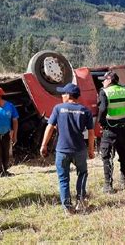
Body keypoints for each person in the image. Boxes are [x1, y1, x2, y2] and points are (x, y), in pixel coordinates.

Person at [40, 83, 95, 215]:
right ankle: (80, 202)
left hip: (62, 150)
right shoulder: (85, 110)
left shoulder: (58, 108)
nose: (61, 96)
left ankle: (68, 208)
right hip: (80, 149)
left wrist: (44, 145)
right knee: (82, 173)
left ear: (68, 95)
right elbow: (91, 132)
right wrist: (91, 150)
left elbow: (50, 127)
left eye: (62, 94)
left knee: (63, 178)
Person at [97, 71, 125, 194]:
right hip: (123, 128)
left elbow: (103, 109)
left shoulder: (104, 92)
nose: (102, 82)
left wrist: (102, 122)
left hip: (109, 129)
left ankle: (108, 185)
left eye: (104, 80)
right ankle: (123, 182)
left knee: (106, 156)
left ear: (109, 80)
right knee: (124, 155)